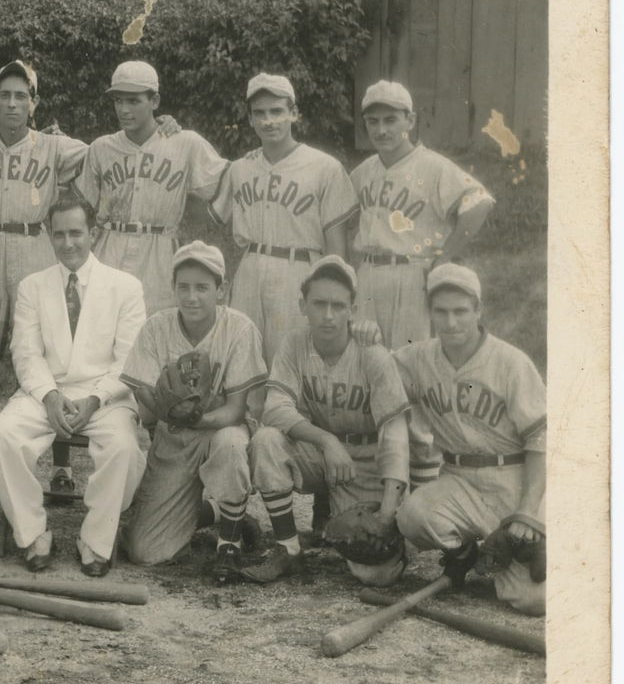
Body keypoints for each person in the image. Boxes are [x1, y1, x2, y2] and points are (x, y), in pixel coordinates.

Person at [0, 196, 147, 576]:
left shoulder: (125, 287)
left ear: (94, 233)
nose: (68, 243)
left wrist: (96, 398)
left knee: (125, 448)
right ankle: (33, 534)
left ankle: (95, 539)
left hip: (106, 394)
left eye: (76, 233)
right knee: (1, 436)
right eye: (59, 235)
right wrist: (49, 396)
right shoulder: (33, 286)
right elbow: (25, 352)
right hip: (46, 390)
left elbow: (128, 358)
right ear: (49, 235)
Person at [239, 254, 411, 587]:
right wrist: (327, 441)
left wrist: (387, 513)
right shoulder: (294, 343)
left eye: (338, 305)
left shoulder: (372, 355)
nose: (328, 315)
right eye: (319, 304)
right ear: (303, 305)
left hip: (367, 463)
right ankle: (288, 549)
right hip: (325, 454)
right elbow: (274, 408)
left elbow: (395, 437)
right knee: (267, 440)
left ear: (352, 310)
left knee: (374, 574)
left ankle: (333, 516)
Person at [392, 264, 545, 616]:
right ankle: (464, 554)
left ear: (478, 310)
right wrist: (363, 336)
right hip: (458, 479)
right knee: (412, 516)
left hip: (512, 480)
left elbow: (541, 438)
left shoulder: (510, 362)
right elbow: (374, 369)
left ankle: (511, 553)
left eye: (460, 311)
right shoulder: (416, 358)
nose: (451, 322)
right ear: (430, 312)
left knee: (533, 599)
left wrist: (526, 511)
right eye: (441, 311)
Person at [120, 242, 266, 582]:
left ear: (221, 290)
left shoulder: (239, 328)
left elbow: (236, 410)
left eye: (202, 287)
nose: (192, 297)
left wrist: (197, 418)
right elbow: (141, 390)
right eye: (183, 287)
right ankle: (218, 512)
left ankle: (228, 545)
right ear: (173, 287)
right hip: (174, 436)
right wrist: (164, 405)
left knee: (231, 444)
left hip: (220, 428)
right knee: (145, 551)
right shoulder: (157, 326)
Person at [0, 59, 88, 398]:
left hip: (31, 241)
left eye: (21, 96)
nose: (12, 104)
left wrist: (161, 125)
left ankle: (35, 408)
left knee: (33, 333)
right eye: (5, 95)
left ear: (33, 103)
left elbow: (103, 154)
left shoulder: (54, 146)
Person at [209, 72, 359, 379]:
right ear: (250, 119)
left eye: (277, 111)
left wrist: (334, 291)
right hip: (251, 267)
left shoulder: (324, 167)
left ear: (294, 113)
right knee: (243, 356)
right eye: (260, 113)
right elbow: (212, 218)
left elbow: (336, 247)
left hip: (299, 268)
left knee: (294, 358)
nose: (269, 121)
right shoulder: (240, 168)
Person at [349, 80, 494, 352]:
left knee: (411, 358)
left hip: (413, 273)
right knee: (365, 357)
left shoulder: (433, 166)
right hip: (369, 273)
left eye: (391, 120)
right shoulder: (363, 172)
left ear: (411, 120)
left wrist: (446, 256)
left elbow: (479, 202)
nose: (381, 130)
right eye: (373, 121)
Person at [78, 61, 227, 315]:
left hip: (160, 249)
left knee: (156, 322)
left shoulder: (185, 143)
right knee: (104, 322)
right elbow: (84, 207)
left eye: (134, 101)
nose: (124, 110)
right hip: (111, 245)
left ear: (154, 101)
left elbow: (228, 180)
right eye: (118, 100)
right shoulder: (101, 147)